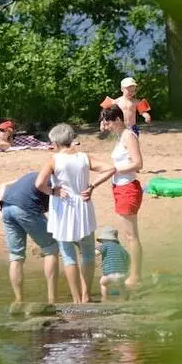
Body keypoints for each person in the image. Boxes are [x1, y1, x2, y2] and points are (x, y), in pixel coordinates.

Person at [36, 123, 115, 304]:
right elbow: (110, 168)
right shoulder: (83, 157)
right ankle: (86, 295)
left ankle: (76, 298)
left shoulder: (53, 160)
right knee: (87, 253)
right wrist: (92, 186)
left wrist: (53, 192)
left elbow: (39, 183)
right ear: (71, 139)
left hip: (63, 209)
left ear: (55, 142)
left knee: (68, 255)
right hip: (83, 205)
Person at [100, 105, 144, 288]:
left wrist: (114, 170)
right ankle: (133, 274)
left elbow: (138, 164)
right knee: (128, 234)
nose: (106, 126)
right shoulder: (120, 137)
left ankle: (135, 277)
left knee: (131, 235)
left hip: (128, 188)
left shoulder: (128, 136)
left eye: (108, 122)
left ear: (118, 120)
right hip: (119, 187)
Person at [0, 172, 59, 304]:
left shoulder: (33, 174)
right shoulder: (55, 181)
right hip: (24, 207)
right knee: (52, 248)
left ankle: (19, 300)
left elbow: (6, 185)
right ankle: (52, 300)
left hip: (6, 207)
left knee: (16, 256)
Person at [95, 226, 131, 302]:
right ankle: (123, 297)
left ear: (104, 239)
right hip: (122, 274)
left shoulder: (105, 245)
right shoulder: (121, 248)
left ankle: (104, 298)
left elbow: (96, 253)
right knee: (121, 285)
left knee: (103, 283)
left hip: (110, 274)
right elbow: (128, 259)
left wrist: (88, 253)